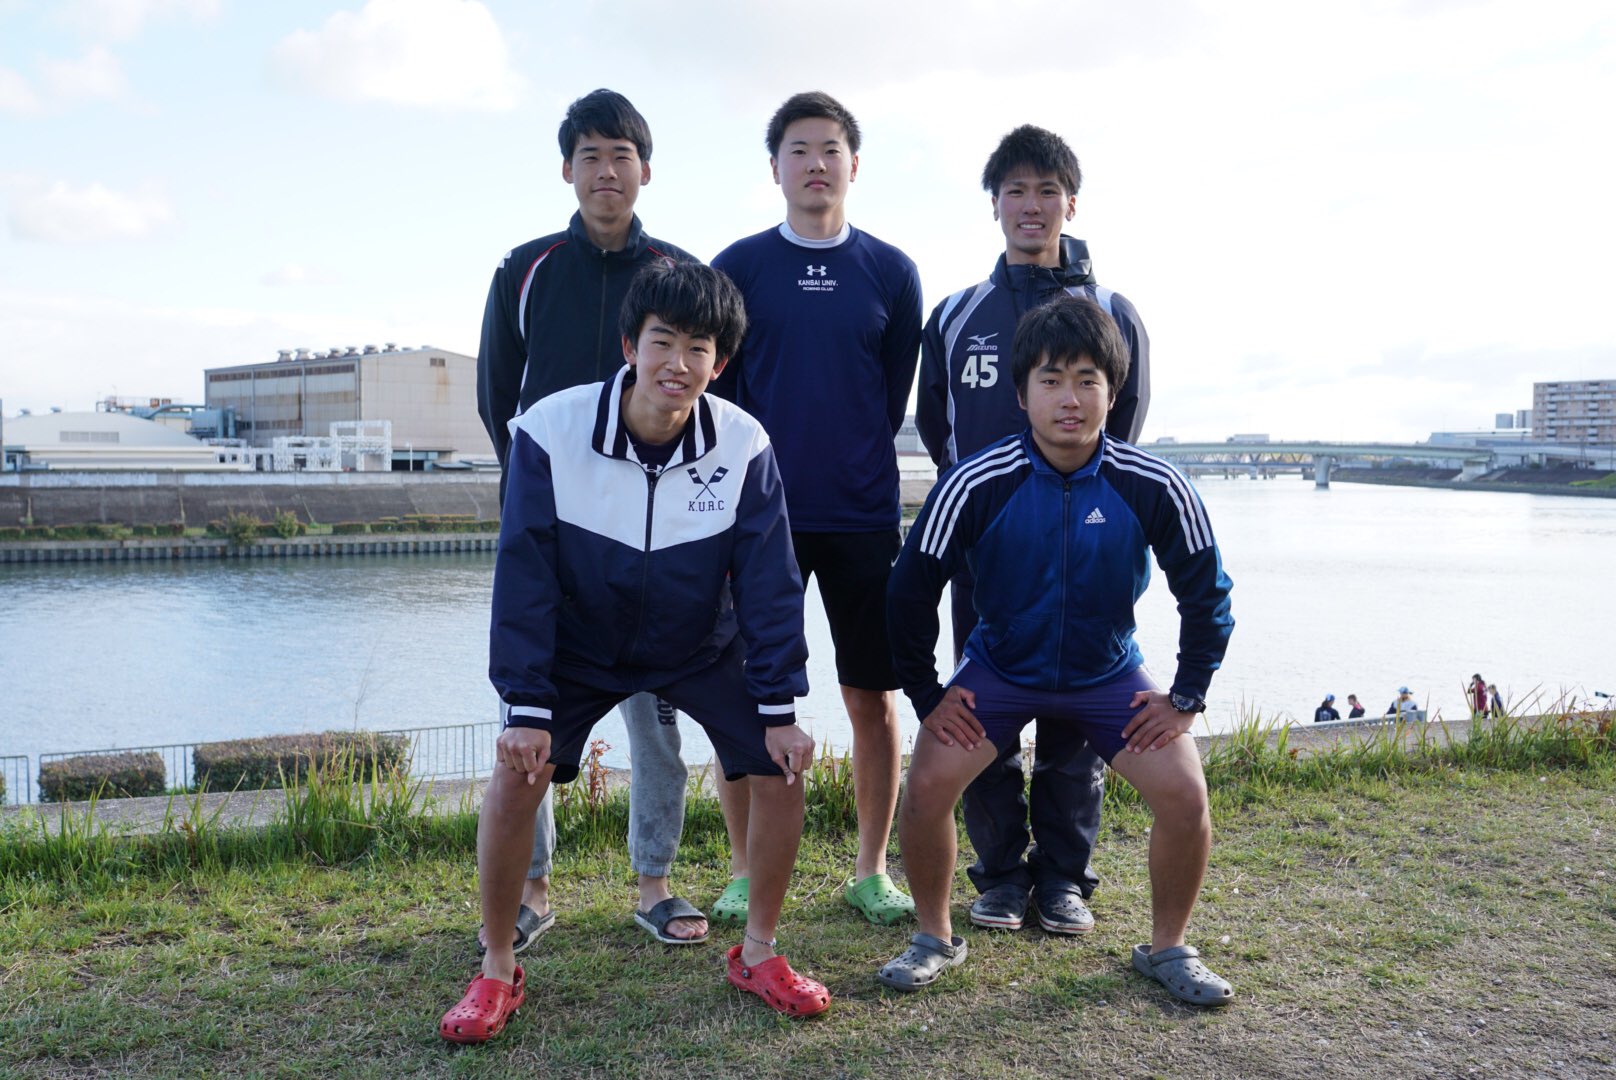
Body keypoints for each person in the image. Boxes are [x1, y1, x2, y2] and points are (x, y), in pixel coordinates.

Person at [441, 262, 829, 1042]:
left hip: (699, 644)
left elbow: (769, 582)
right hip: (581, 643)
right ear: (630, 346)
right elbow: (524, 574)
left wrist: (781, 706)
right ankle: (496, 967)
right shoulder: (549, 430)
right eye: (662, 341)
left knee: (781, 767)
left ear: (719, 363)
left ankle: (759, 951)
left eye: (698, 348)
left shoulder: (743, 443)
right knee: (516, 776)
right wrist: (525, 703)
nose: (677, 364)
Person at [881, 295, 1235, 1005]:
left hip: (1107, 674)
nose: (1069, 399)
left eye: (1086, 380)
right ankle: (933, 937)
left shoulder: (1156, 484)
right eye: (1050, 380)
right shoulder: (974, 482)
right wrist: (928, 695)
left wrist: (1186, 697)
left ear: (1113, 391)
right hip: (1002, 669)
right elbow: (908, 592)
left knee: (1185, 795)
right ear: (1022, 394)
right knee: (925, 787)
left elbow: (1208, 596)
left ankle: (1168, 948)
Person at [474, 89, 707, 951]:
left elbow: (703, 388)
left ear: (646, 170)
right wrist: (533, 500)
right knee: (528, 715)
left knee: (658, 716)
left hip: (656, 531)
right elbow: (498, 397)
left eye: (622, 156)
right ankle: (531, 889)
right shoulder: (526, 269)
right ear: (567, 169)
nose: (607, 172)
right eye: (591, 156)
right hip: (552, 537)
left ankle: (655, 882)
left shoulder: (679, 273)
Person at [914, 124, 1153, 936]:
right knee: (977, 711)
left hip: (1087, 549)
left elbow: (1126, 427)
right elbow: (938, 427)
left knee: (1076, 721)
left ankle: (1063, 878)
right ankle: (1000, 876)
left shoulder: (1112, 311)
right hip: (985, 557)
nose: (1031, 205)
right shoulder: (956, 316)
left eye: (1047, 190)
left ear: (1070, 204)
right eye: (1015, 190)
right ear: (994, 204)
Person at [710, 91, 924, 927]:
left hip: (863, 513)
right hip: (759, 518)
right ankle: (742, 868)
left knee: (872, 694)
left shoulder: (891, 272)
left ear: (853, 165)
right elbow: (719, 397)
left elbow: (891, 393)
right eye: (798, 150)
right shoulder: (738, 267)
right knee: (744, 696)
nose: (815, 164)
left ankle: (870, 869)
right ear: (775, 168)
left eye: (830, 149)